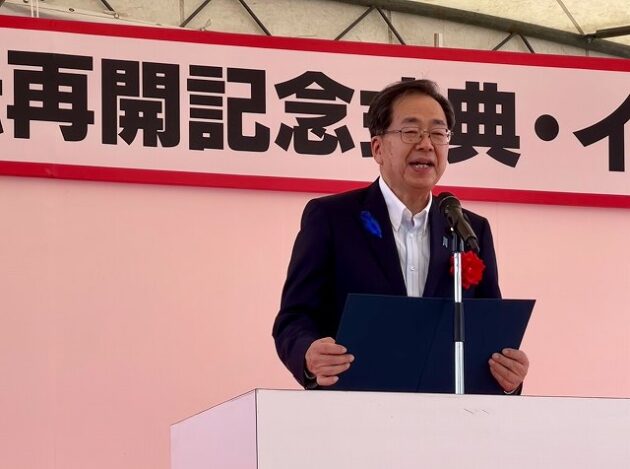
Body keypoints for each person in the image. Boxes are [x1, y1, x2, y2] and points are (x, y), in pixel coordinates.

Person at [272, 79, 528, 393]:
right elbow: (295, 317)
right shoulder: (332, 218)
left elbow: (489, 330)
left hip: (448, 410)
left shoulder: (469, 228)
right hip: (354, 405)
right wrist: (308, 354)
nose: (426, 144)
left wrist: (509, 375)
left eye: (438, 133)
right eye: (411, 131)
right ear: (378, 148)